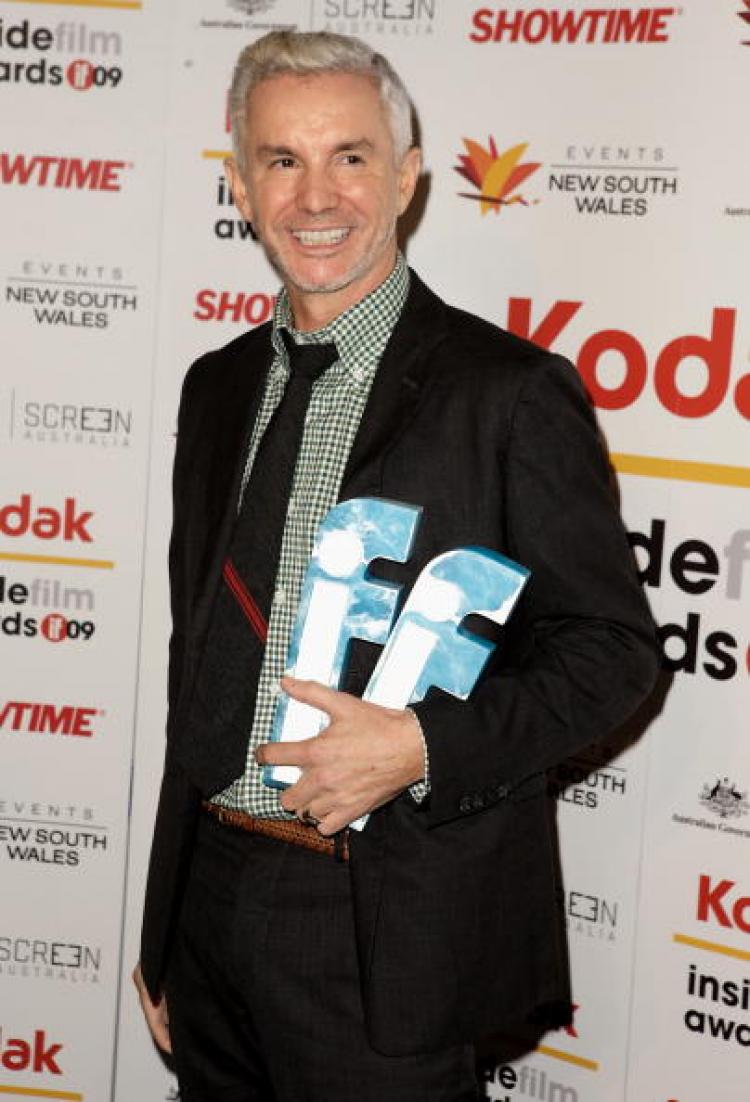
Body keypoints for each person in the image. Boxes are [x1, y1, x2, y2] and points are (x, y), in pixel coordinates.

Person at [133, 30, 658, 1101]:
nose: (315, 195)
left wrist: (421, 743)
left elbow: (613, 654)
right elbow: (205, 661)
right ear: (239, 183)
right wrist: (165, 923)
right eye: (282, 159)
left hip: (388, 930)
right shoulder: (215, 386)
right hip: (210, 905)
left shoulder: (509, 393)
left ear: (408, 177)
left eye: (351, 156)